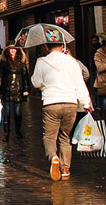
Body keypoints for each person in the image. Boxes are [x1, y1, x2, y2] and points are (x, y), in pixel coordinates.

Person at [31, 43, 92, 182]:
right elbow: (79, 84)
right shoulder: (72, 62)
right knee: (65, 136)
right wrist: (86, 103)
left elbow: (35, 83)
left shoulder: (41, 63)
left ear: (46, 47)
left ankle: (53, 157)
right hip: (70, 102)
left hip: (51, 102)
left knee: (49, 136)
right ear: (62, 46)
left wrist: (44, 85)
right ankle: (65, 168)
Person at [0, 45, 29, 141]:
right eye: (11, 49)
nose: (13, 51)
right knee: (7, 112)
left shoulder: (21, 62)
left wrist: (26, 89)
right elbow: (0, 77)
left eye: (14, 49)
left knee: (18, 112)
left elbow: (25, 76)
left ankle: (18, 131)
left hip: (18, 89)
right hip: (7, 89)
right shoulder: (4, 62)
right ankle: (6, 134)